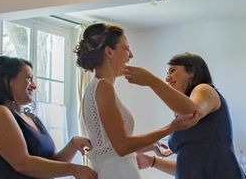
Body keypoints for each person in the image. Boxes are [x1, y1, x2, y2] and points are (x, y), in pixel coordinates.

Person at [74, 23, 198, 179]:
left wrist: (152, 146)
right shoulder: (103, 87)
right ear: (109, 52)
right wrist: (171, 128)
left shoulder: (96, 87)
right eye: (126, 48)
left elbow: (110, 148)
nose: (131, 55)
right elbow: (122, 146)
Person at [124, 52, 245, 179]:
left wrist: (152, 81)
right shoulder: (181, 116)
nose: (167, 78)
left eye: (172, 71)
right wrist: (152, 162)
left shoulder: (204, 89)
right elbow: (189, 167)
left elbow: (194, 111)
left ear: (192, 71)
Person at [0, 56, 97, 179]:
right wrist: (74, 169)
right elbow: (22, 163)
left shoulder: (32, 118)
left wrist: (73, 144)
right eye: (28, 78)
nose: (34, 85)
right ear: (9, 80)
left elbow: (53, 161)